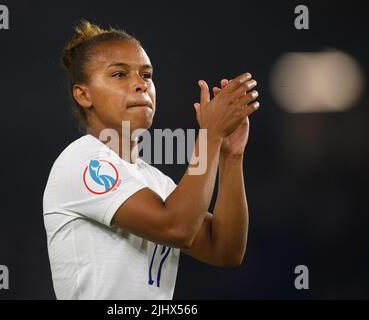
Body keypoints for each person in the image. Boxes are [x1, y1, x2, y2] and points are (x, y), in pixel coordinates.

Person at [43, 19, 260, 300]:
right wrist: (209, 136)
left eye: (146, 75)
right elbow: (177, 228)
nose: (139, 84)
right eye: (119, 74)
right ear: (84, 94)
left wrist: (230, 156)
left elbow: (225, 250)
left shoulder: (155, 181)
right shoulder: (82, 162)